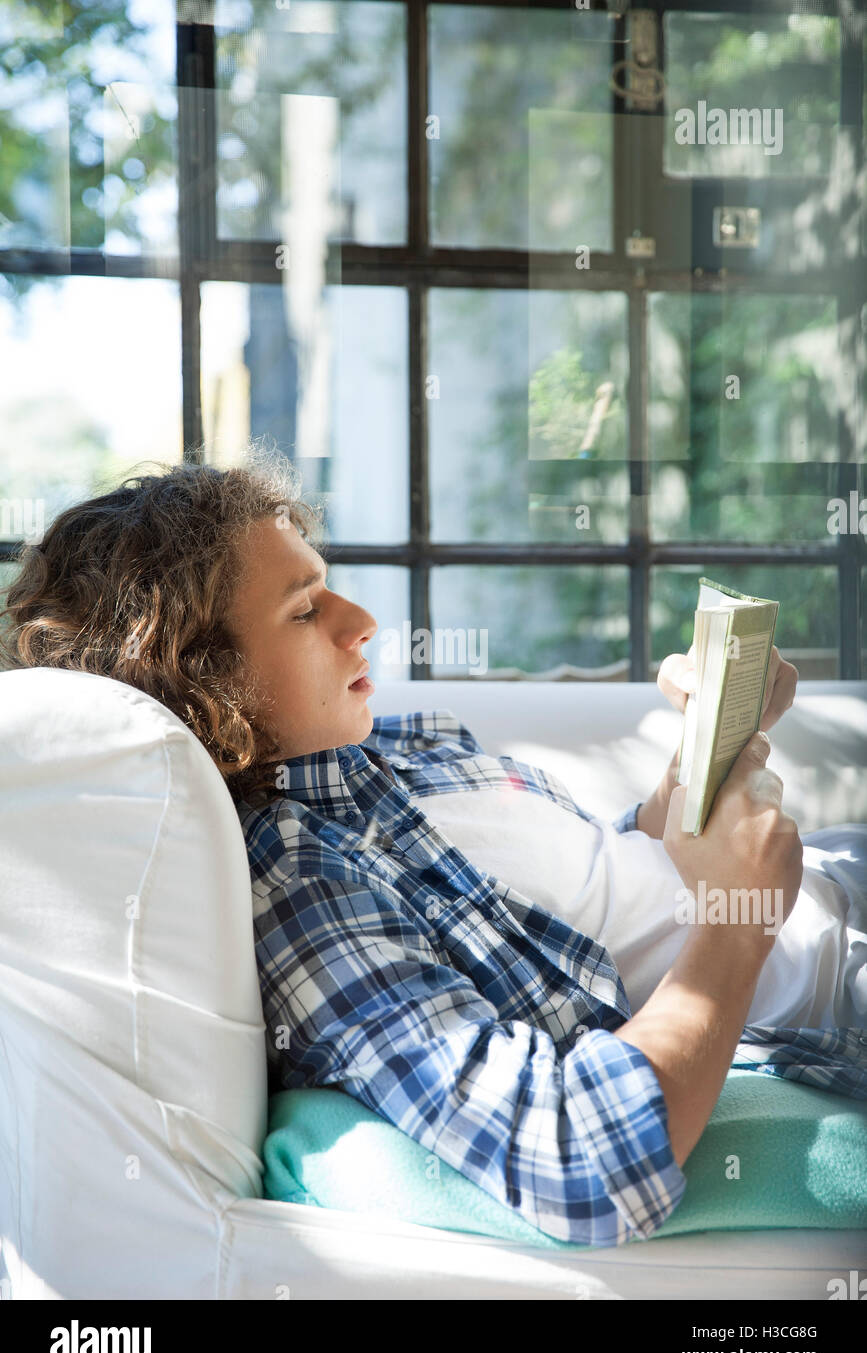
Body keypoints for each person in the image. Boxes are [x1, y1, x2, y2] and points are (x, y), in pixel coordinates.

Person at [2, 445, 865, 1248]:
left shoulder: (397, 744)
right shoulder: (303, 886)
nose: (363, 620)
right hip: (836, 979)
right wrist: (737, 917)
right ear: (206, 684)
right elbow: (583, 1158)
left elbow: (600, 881)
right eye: (305, 610)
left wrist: (706, 759)